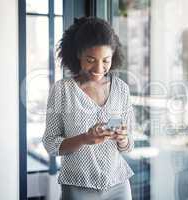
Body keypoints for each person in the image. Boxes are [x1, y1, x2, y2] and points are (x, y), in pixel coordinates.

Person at [42, 16, 135, 200]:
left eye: (106, 60)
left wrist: (123, 139)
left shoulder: (121, 89)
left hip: (119, 186)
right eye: (91, 59)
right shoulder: (62, 90)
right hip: (78, 188)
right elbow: (51, 144)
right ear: (78, 55)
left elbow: (128, 146)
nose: (99, 68)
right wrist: (85, 138)